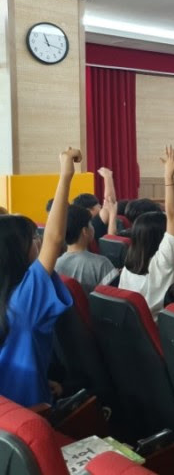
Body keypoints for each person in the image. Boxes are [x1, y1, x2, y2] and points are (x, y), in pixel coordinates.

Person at [0, 147, 79, 406]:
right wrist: (65, 175)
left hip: (8, 411)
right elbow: (54, 239)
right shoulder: (25, 297)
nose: (39, 242)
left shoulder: (8, 296)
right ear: (17, 250)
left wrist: (39, 380)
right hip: (31, 412)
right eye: (33, 238)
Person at [118, 146, 174, 318]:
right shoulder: (163, 261)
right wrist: (168, 177)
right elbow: (173, 216)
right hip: (160, 328)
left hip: (135, 327)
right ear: (161, 235)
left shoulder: (128, 265)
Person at [54, 205, 117, 296]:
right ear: (85, 231)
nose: (92, 227)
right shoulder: (102, 264)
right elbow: (114, 297)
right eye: (90, 223)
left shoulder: (55, 264)